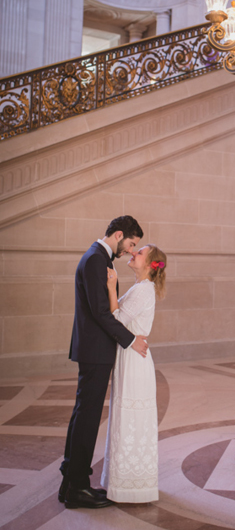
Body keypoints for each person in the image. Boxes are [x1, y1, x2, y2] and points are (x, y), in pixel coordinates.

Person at [60, 216, 149, 509]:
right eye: (131, 244)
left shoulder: (96, 257)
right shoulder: (97, 260)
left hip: (92, 349)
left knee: (82, 414)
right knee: (86, 418)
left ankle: (70, 481)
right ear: (119, 234)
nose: (130, 250)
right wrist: (130, 339)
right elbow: (101, 312)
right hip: (95, 350)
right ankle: (77, 488)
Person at [101, 244, 166, 503]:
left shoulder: (143, 291)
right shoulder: (140, 288)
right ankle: (123, 481)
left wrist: (110, 287)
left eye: (139, 252)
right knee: (124, 417)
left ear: (151, 265)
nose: (133, 253)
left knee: (130, 418)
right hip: (130, 354)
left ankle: (131, 486)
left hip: (134, 360)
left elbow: (117, 320)